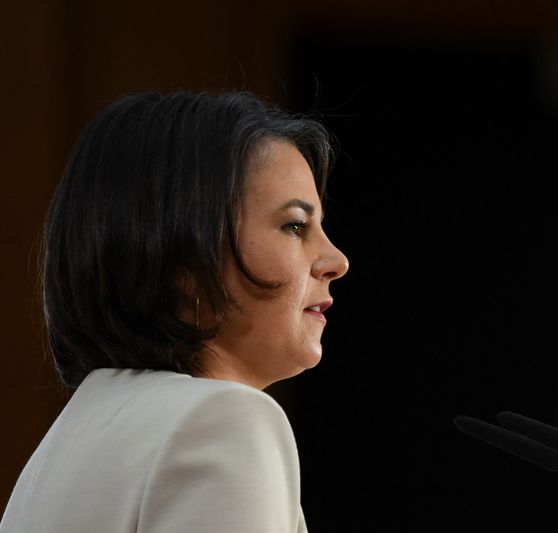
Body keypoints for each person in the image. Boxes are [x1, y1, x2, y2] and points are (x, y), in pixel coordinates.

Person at [0, 90, 349, 532]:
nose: (337, 260)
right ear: (185, 259)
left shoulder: (66, 441)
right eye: (294, 226)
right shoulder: (226, 421)